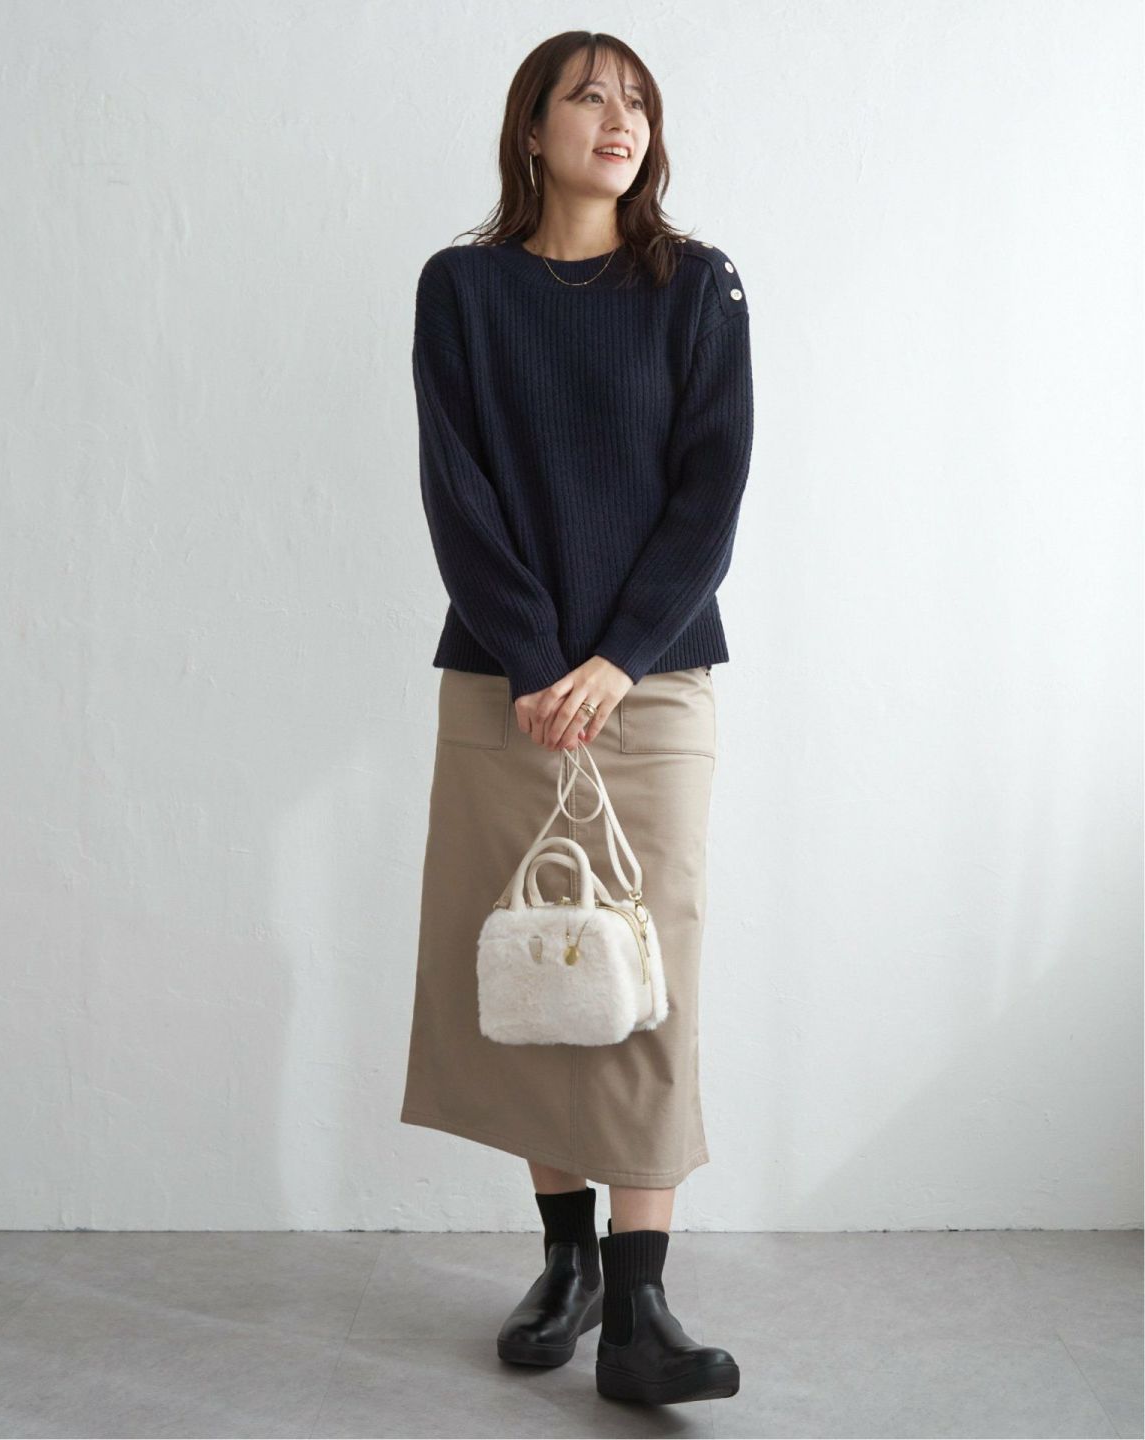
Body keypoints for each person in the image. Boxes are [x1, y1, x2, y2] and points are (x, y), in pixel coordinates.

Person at [399, 29, 754, 1407]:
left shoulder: (698, 287)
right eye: (588, 95)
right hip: (506, 681)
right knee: (538, 964)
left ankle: (641, 1300)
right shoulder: (464, 289)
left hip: (653, 684)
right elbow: (458, 490)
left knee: (650, 973)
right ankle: (568, 1264)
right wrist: (544, 662)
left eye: (639, 100)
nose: (620, 118)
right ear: (531, 128)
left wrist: (613, 659)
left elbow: (711, 496)